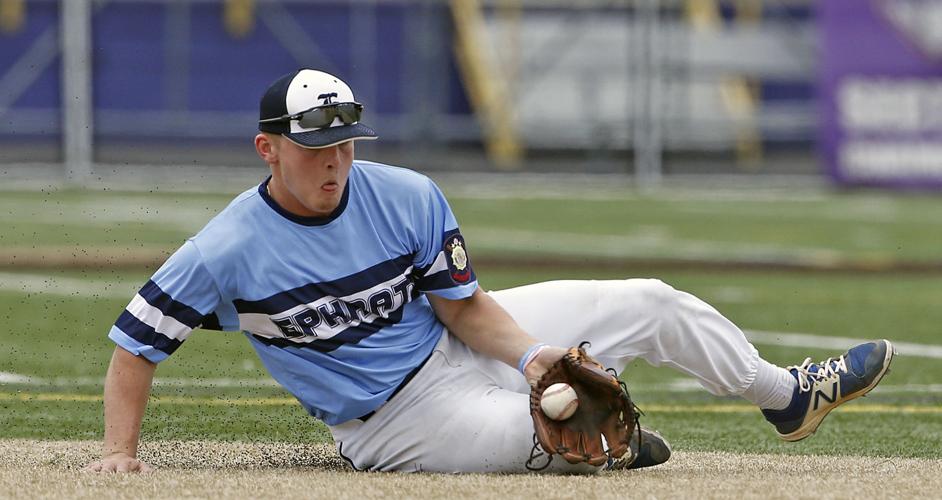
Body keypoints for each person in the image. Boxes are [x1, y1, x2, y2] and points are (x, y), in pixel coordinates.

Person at [84, 69, 895, 474]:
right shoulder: (227, 247)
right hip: (388, 424)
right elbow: (136, 345)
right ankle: (609, 450)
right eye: (312, 147)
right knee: (549, 439)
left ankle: (785, 397)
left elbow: (465, 309)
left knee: (647, 301)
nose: (334, 162)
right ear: (268, 149)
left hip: (453, 349)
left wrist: (534, 356)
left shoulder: (405, 195)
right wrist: (121, 452)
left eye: (344, 144)